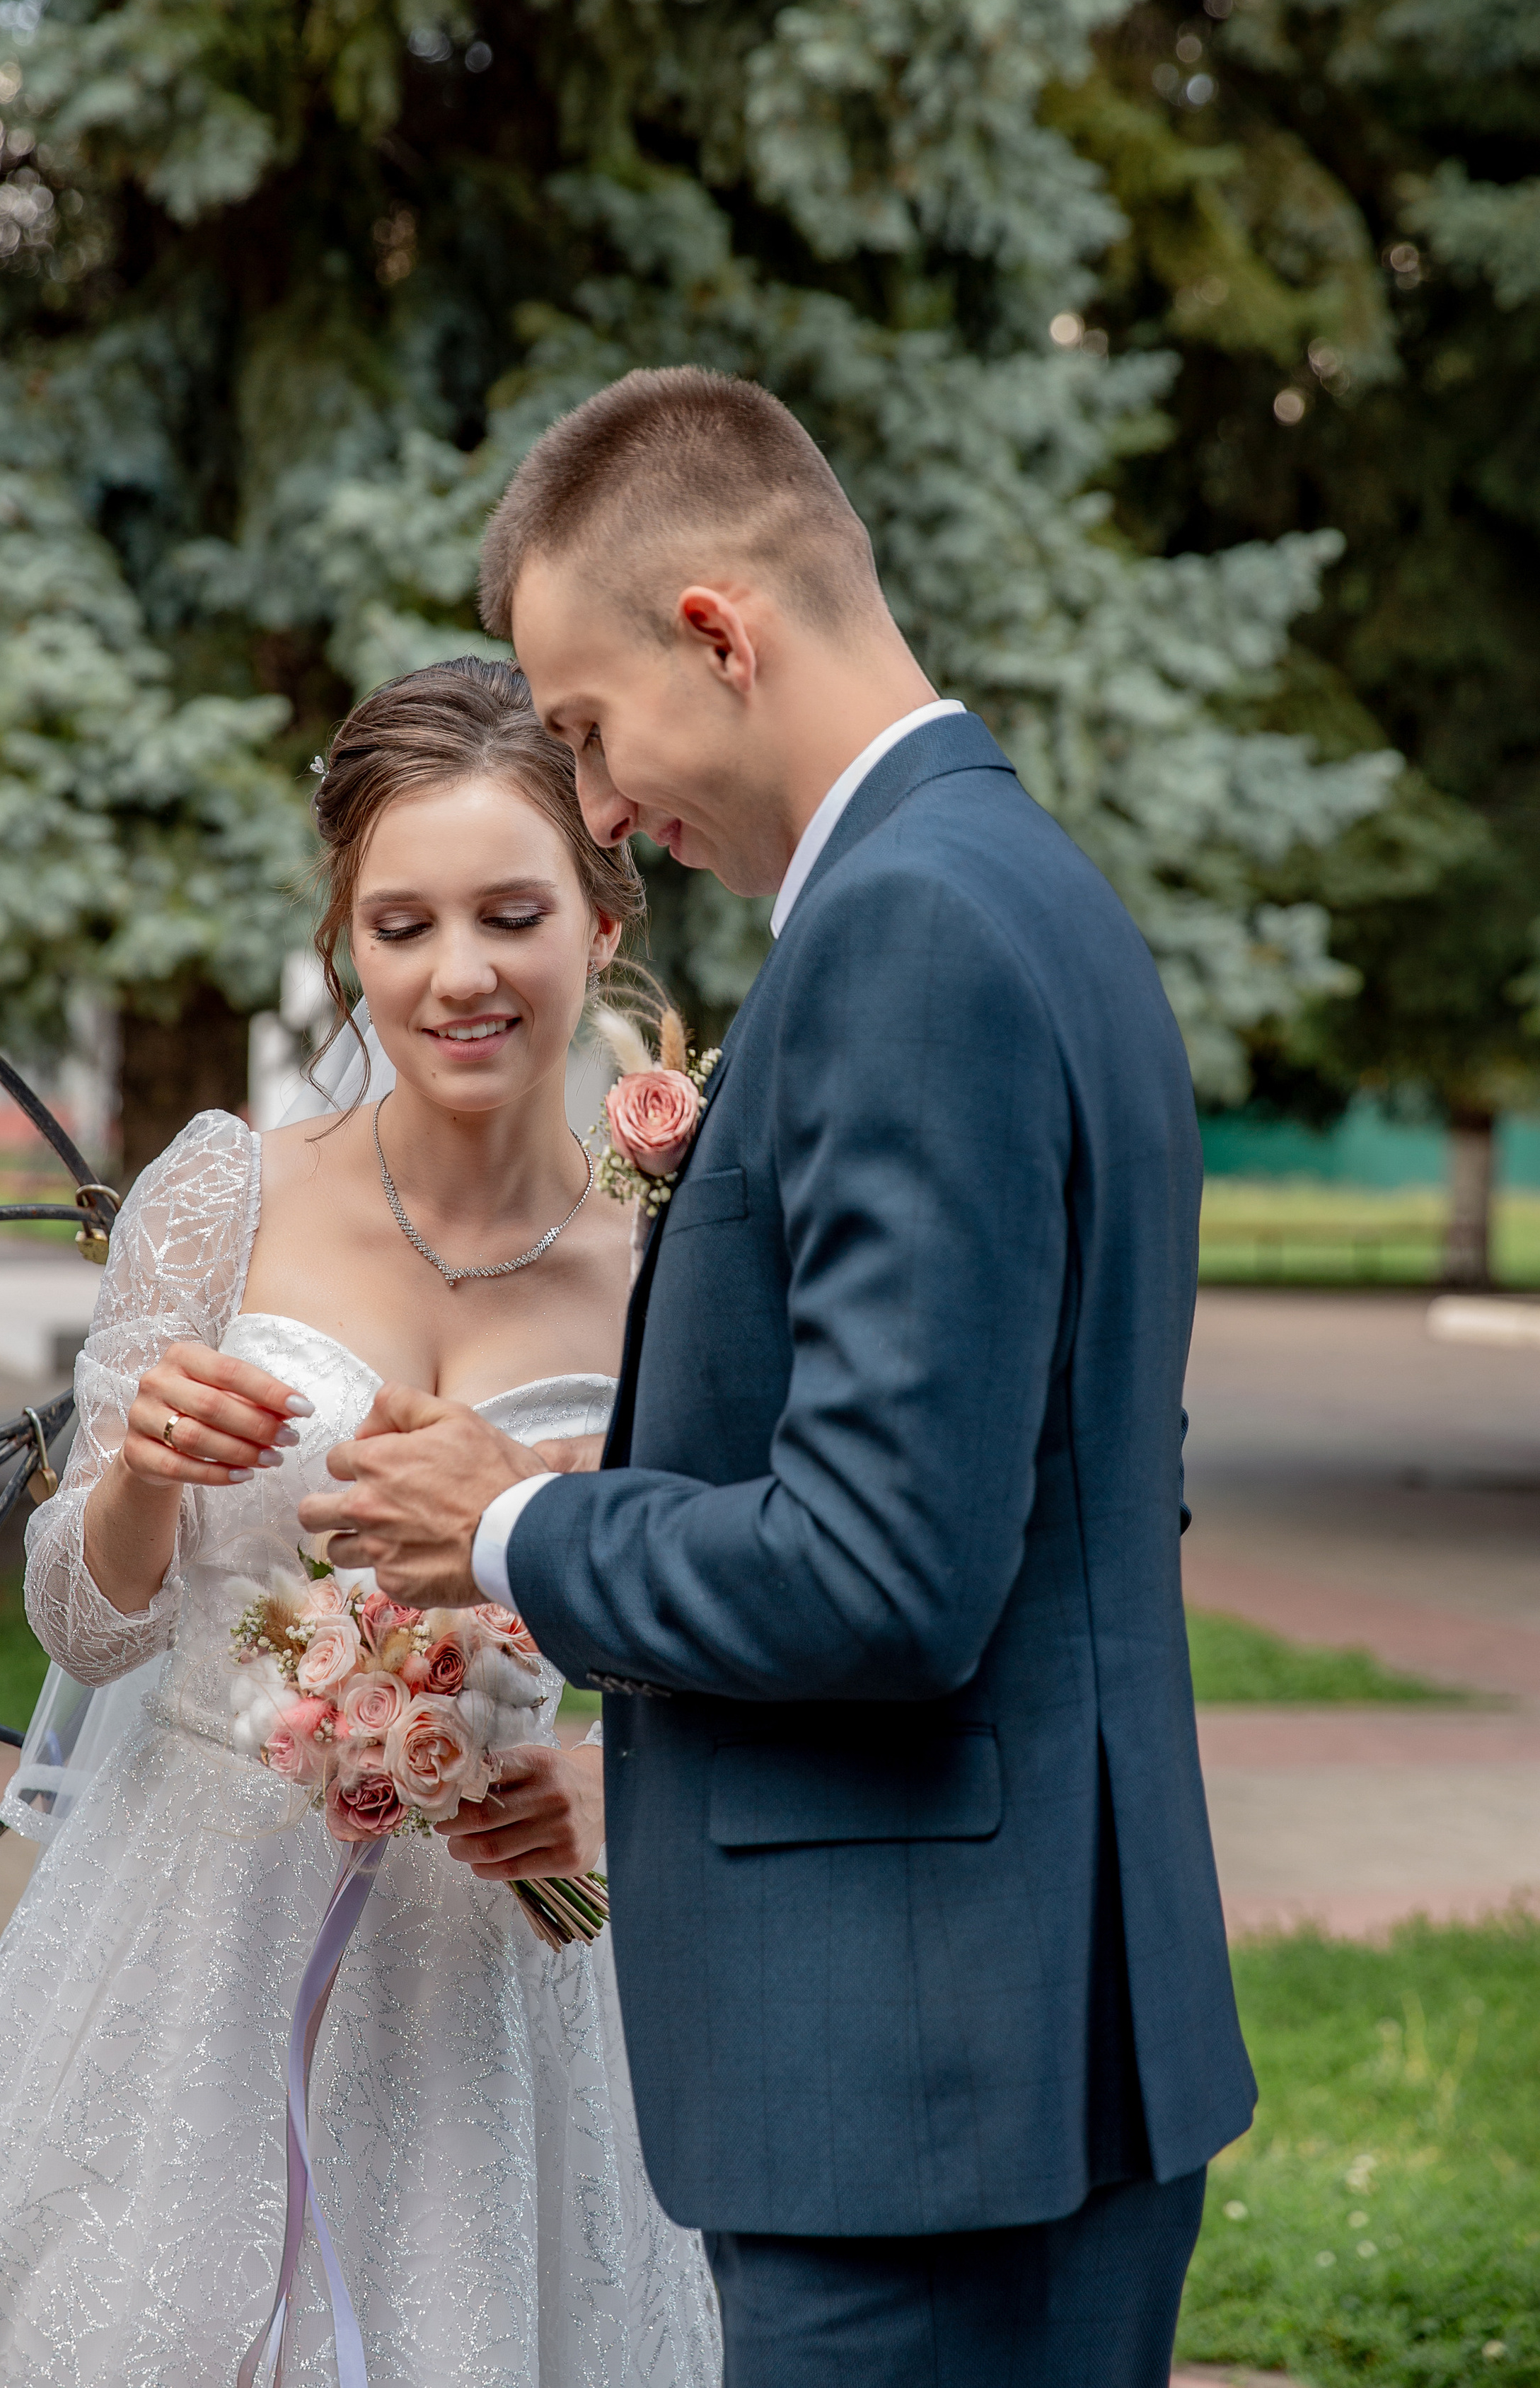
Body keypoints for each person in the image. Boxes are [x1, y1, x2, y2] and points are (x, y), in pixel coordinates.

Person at [301, 367, 1257, 2387]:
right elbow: (1078, 1493)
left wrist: (507, 1518)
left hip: (922, 2091)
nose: (602, 806)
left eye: (584, 729)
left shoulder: (904, 933)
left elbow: (890, 1571)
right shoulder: (1028, 889)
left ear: (720, 633)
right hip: (1008, 2048)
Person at [0, 658, 720, 2388]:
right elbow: (82, 1625)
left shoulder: (676, 1254)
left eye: (511, 913)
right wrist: (143, 1466)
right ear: (345, 947)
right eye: (401, 925)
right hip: (186, 1940)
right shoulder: (223, 1191)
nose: (458, 975)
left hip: (496, 1976)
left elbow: (717, 1595)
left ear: (602, 918)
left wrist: (601, 1781)